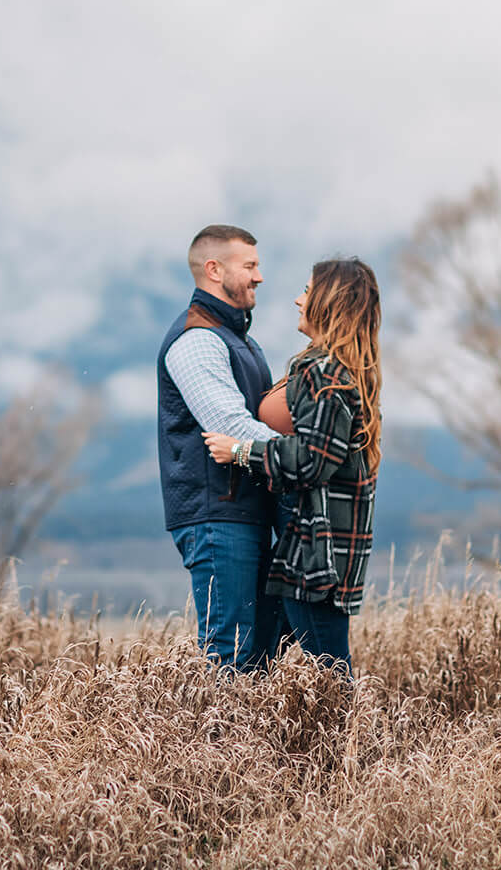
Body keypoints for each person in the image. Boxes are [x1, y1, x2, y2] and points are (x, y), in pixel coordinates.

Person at [204, 256, 381, 677]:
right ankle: (251, 739)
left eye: (307, 291)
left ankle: (349, 743)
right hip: (308, 542)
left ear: (328, 302)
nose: (297, 300)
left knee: (330, 673)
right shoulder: (339, 369)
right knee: (259, 662)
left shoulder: (323, 372)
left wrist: (241, 451)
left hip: (314, 549)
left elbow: (312, 463)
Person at [157, 224, 285, 670]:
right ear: (214, 270)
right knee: (229, 652)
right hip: (217, 513)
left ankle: (254, 742)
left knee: (265, 655)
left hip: (244, 511)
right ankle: (214, 741)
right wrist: (310, 455)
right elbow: (230, 425)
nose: (259, 276)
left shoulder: (239, 340)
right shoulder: (197, 340)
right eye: (249, 265)